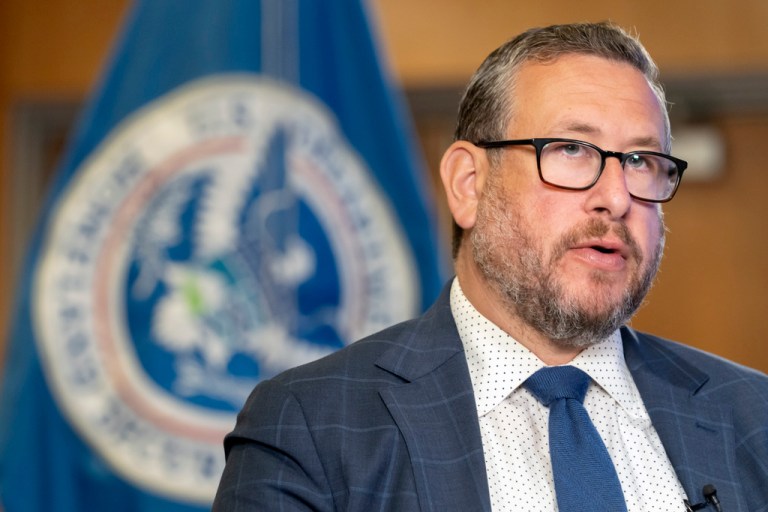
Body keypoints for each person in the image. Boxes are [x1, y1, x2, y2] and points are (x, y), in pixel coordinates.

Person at [213, 22, 768, 511]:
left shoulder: (753, 417)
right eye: (572, 150)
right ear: (469, 185)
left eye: (642, 162)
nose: (616, 198)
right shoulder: (312, 427)